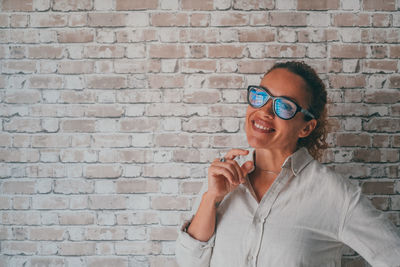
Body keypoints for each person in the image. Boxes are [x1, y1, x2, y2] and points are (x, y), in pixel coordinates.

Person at [175, 61, 400, 266]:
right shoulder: (223, 177)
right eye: (260, 96)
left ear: (306, 127)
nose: (264, 111)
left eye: (283, 106)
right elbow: (187, 263)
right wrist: (211, 198)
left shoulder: (337, 196)